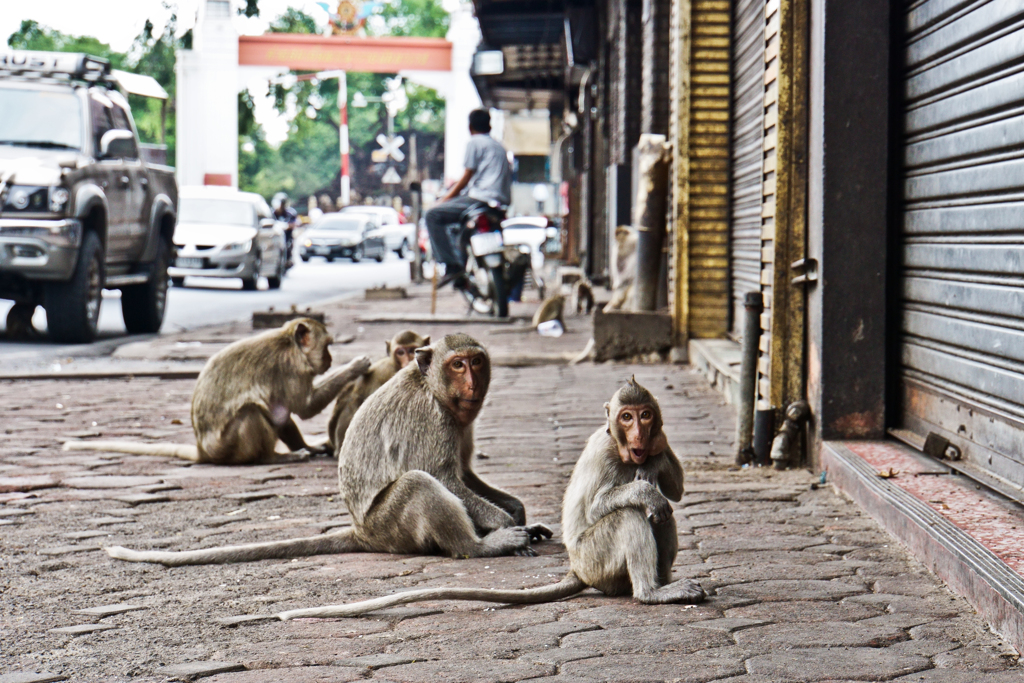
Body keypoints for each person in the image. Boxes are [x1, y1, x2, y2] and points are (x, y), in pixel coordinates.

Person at [426, 109, 512, 289]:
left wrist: (445, 199)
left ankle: (452, 266)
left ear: (470, 127)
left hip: (479, 200)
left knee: (432, 215)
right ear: (489, 126)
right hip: (499, 204)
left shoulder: (475, 142)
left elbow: (466, 176)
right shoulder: (499, 147)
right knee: (457, 225)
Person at [273, 195, 299, 267]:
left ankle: (289, 258)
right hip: (276, 235)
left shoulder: (290, 213)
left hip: (287, 236)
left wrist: (287, 226)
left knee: (289, 244)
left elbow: (295, 223)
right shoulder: (272, 213)